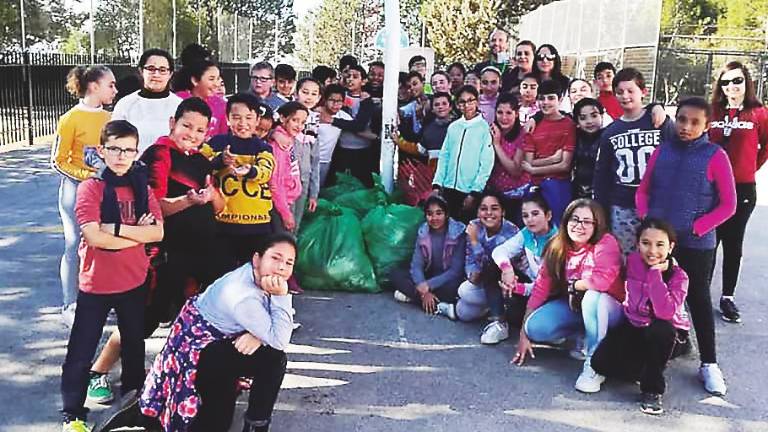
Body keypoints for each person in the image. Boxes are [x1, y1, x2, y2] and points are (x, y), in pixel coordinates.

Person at [60, 120, 164, 432]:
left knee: (134, 345)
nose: (121, 156)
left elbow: (157, 232)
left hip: (133, 280)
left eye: (128, 150)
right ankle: (73, 415)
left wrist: (116, 230)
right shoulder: (92, 188)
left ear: (136, 153)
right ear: (103, 151)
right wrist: (138, 235)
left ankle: (133, 404)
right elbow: (94, 237)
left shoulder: (141, 188)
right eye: (115, 148)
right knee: (81, 350)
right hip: (97, 284)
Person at [139, 233, 296, 432]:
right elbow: (280, 339)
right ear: (257, 259)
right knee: (273, 360)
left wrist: (258, 335)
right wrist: (281, 297)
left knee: (271, 359)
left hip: (216, 341)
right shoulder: (243, 296)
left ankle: (256, 424)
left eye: (289, 262)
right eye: (276, 258)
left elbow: (274, 329)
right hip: (202, 350)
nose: (282, 267)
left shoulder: (255, 275)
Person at [636, 97, 736, 396]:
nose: (686, 126)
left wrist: (697, 227)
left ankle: (709, 363)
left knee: (698, 300)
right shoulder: (662, 151)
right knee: (651, 297)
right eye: (681, 119)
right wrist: (646, 218)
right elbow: (644, 191)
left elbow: (728, 204)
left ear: (706, 125)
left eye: (694, 122)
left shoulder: (715, 155)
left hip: (696, 244)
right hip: (658, 244)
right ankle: (656, 354)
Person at [513, 199, 624, 395]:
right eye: (575, 219)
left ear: (597, 224)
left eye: (587, 221)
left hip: (610, 308)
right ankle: (581, 334)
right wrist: (523, 332)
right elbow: (540, 287)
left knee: (592, 297)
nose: (579, 226)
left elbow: (601, 282)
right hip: (577, 306)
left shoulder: (606, 242)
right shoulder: (557, 245)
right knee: (534, 327)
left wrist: (575, 285)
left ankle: (595, 363)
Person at [141, 97, 227, 340]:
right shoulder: (160, 153)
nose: (192, 134)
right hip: (168, 253)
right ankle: (102, 370)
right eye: (186, 126)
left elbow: (219, 207)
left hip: (201, 252)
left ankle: (179, 371)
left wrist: (212, 196)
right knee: (148, 316)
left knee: (195, 319)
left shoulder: (201, 160)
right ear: (172, 123)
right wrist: (187, 201)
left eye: (200, 130)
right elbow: (152, 207)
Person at [591, 218, 691, 415]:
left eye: (660, 244)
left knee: (660, 330)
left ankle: (652, 389)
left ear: (670, 247)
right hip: (635, 323)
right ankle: (646, 364)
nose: (652, 251)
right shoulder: (634, 261)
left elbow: (665, 312)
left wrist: (655, 274)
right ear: (637, 245)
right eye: (646, 243)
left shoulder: (679, 276)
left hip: (664, 329)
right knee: (599, 364)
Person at [51, 64, 116, 326]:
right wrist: (85, 175)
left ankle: (102, 299)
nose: (115, 89)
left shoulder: (111, 119)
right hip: (75, 191)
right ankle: (70, 303)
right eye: (110, 85)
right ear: (93, 86)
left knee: (103, 244)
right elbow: (58, 160)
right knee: (74, 243)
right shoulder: (70, 119)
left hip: (105, 190)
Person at [708, 61, 768, 323]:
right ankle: (697, 293)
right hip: (711, 188)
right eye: (726, 82)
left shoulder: (759, 113)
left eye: (737, 81)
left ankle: (727, 297)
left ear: (746, 82)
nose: (732, 86)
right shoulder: (712, 111)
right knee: (708, 242)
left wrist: (747, 169)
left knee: (733, 243)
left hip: (742, 188)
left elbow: (765, 147)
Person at [593, 68, 675, 255]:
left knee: (656, 256)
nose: (625, 96)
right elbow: (602, 175)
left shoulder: (659, 121)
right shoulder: (611, 132)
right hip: (623, 204)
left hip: (657, 202)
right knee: (627, 256)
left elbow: (677, 157)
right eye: (620, 92)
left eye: (631, 91)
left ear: (643, 92)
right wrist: (602, 209)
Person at [203, 93, 275, 268]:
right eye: (236, 117)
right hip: (223, 224)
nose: (243, 123)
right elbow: (202, 167)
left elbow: (266, 171)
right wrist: (220, 161)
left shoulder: (263, 148)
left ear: (257, 120)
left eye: (249, 118)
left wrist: (250, 170)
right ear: (227, 119)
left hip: (258, 225)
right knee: (222, 273)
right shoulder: (216, 143)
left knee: (253, 273)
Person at [453, 192, 520, 343]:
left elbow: (492, 265)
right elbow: (470, 259)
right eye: (483, 208)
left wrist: (475, 242)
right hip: (483, 281)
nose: (489, 213)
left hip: (506, 285)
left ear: (503, 212)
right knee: (462, 311)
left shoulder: (512, 232)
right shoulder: (475, 226)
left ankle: (499, 318)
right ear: (478, 212)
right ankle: (490, 307)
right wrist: (472, 274)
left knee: (465, 291)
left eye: (494, 208)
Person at [391, 195, 467, 318]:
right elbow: (416, 265)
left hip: (447, 281)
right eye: (430, 214)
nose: (434, 218)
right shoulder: (423, 232)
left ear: (446, 214)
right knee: (395, 273)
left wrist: (428, 286)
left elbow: (455, 271)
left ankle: (415, 297)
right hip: (429, 275)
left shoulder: (458, 233)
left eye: (439, 213)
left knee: (456, 291)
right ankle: (433, 303)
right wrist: (423, 289)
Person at [492, 194, 558, 327]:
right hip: (532, 285)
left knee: (522, 320)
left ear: (548, 215)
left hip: (550, 294)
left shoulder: (558, 241)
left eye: (535, 214)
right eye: (525, 216)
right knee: (492, 268)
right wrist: (507, 269)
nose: (530, 220)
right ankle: (498, 321)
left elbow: (548, 286)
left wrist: (518, 288)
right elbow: (500, 251)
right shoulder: (527, 233)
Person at [432, 85, 494, 221]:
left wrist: (475, 192)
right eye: (462, 102)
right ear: (457, 105)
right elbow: (444, 156)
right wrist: (437, 184)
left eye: (471, 100)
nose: (467, 105)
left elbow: (486, 164)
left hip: (469, 191)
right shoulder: (454, 127)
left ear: (477, 102)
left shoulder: (484, 128)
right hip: (448, 188)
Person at [521, 80, 576, 223]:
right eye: (541, 98)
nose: (545, 102)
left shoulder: (569, 125)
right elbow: (528, 162)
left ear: (560, 99)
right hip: (535, 187)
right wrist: (553, 159)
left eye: (551, 98)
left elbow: (565, 165)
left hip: (559, 185)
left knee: (558, 229)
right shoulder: (532, 125)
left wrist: (534, 169)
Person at [112, 48, 182, 156]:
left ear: (170, 74)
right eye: (151, 69)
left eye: (162, 70)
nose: (156, 74)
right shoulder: (125, 104)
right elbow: (113, 140)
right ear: (141, 71)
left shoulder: (180, 105)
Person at [332, 64, 381, 187]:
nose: (350, 79)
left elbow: (359, 125)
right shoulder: (339, 97)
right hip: (342, 149)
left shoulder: (366, 100)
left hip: (363, 151)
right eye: (348, 76)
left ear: (363, 81)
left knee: (362, 186)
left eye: (355, 76)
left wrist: (333, 121)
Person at [486, 93, 530, 225]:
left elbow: (516, 170)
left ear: (516, 114)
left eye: (509, 113)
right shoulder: (490, 131)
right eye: (500, 112)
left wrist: (497, 144)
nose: (504, 117)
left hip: (517, 196)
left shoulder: (523, 134)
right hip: (494, 195)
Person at [269, 102, 307, 232]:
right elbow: (275, 183)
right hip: (280, 204)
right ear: (282, 118)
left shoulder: (288, 139)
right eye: (295, 120)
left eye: (303, 122)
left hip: (287, 201)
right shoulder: (279, 145)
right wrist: (285, 213)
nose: (299, 126)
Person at [175, 60, 228, 138]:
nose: (217, 84)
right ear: (195, 81)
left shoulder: (221, 104)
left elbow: (223, 135)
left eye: (218, 79)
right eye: (211, 79)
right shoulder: (177, 100)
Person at [317, 84, 352, 186]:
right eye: (332, 100)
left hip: (325, 160)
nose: (335, 104)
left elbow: (356, 127)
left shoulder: (343, 116)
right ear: (325, 99)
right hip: (308, 158)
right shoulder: (315, 113)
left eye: (339, 101)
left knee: (318, 189)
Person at [571, 98, 605, 199]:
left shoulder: (609, 135)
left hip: (603, 192)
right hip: (578, 190)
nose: (589, 121)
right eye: (583, 118)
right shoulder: (574, 136)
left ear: (602, 116)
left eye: (594, 116)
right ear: (577, 122)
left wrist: (654, 108)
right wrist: (535, 118)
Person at [533, 44, 570, 110]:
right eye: (540, 57)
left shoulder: (565, 83)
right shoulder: (530, 82)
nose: (545, 60)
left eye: (549, 57)